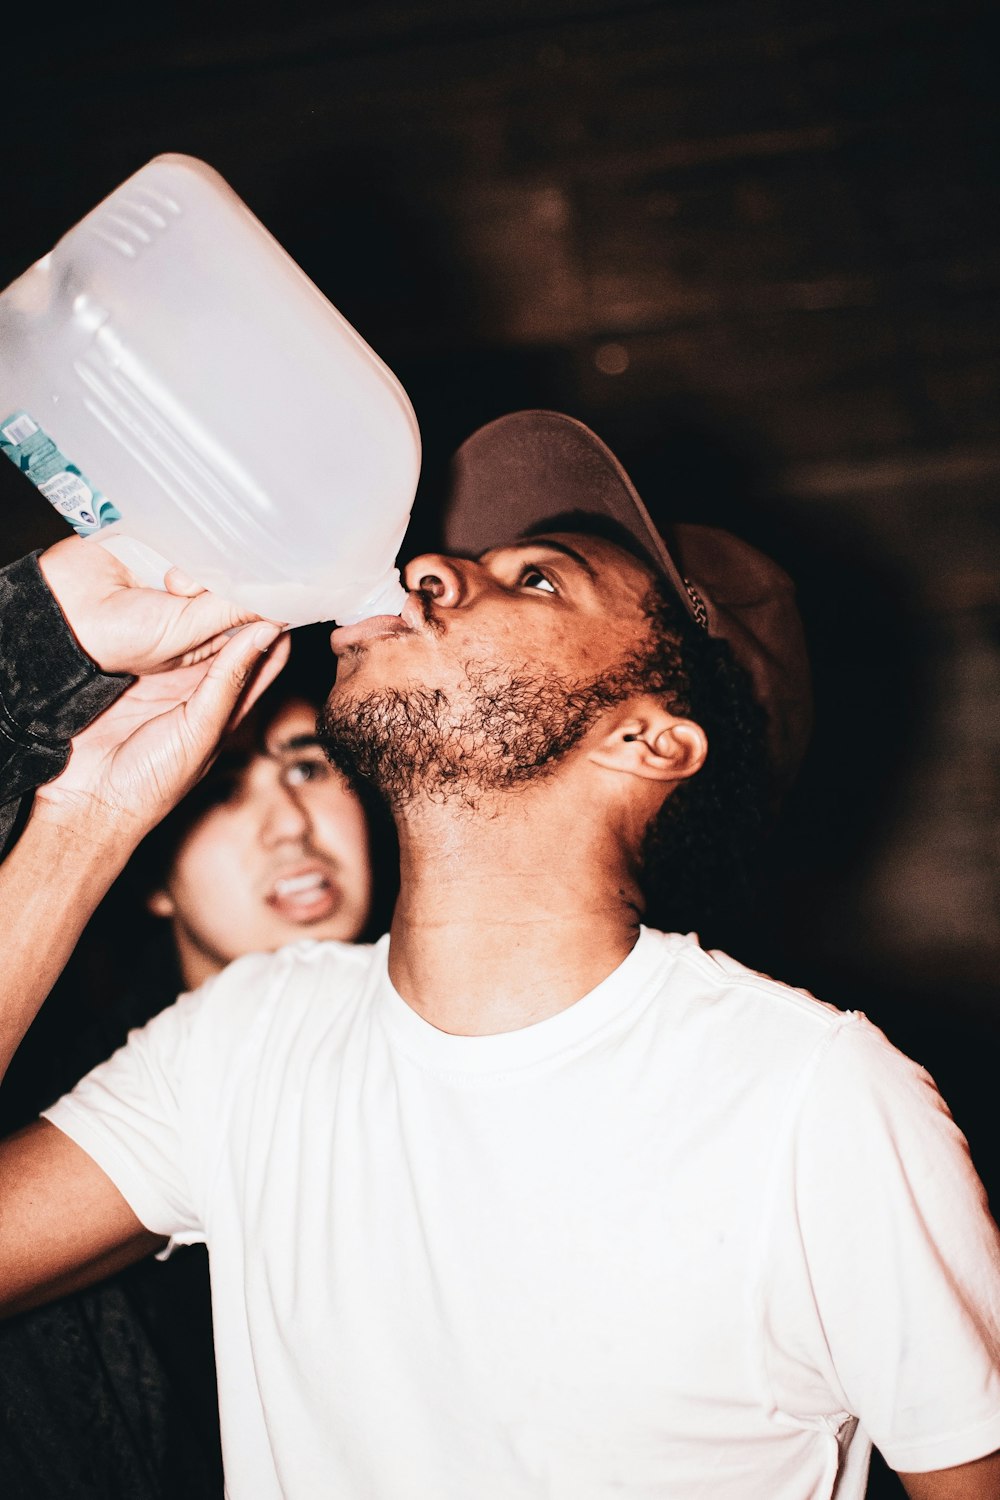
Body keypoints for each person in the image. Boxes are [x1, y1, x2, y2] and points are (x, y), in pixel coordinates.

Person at [2, 410, 999, 1499]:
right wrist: (87, 815)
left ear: (646, 740)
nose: (427, 569)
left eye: (537, 581)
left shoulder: (815, 1098)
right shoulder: (248, 1038)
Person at [0, 620, 391, 1498]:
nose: (290, 823)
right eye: (221, 787)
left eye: (307, 765)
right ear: (154, 876)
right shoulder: (70, 1104)